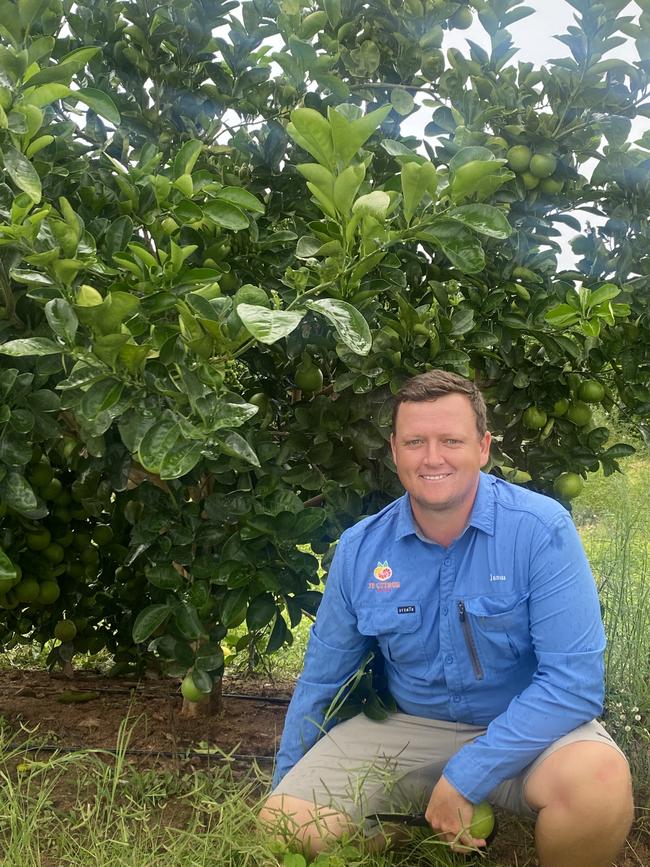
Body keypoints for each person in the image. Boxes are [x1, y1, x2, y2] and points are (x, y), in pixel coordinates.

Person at [260, 370, 634, 866]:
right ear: (394, 451)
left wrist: (466, 775)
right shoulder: (360, 550)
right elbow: (321, 680)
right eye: (416, 441)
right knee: (285, 822)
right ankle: (399, 837)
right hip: (410, 726)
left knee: (600, 785)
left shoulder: (541, 531)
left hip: (530, 728)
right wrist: (285, 781)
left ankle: (454, 797)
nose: (432, 457)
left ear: (483, 447)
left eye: (450, 440)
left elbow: (573, 684)